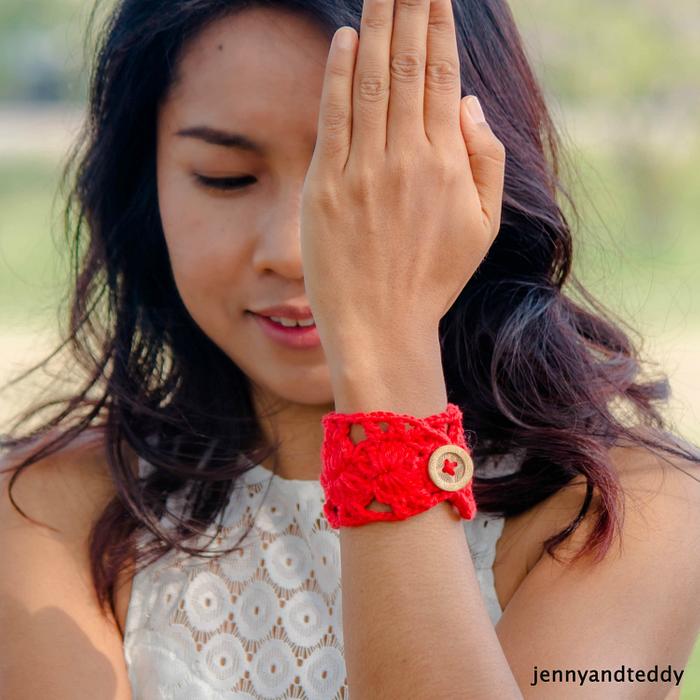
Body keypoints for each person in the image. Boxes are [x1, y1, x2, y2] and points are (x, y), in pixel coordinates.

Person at [1, 0, 699, 697]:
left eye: (369, 183)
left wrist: (384, 344)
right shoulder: (49, 511)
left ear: (484, 173)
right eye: (226, 177)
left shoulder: (626, 514)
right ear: (143, 188)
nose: (293, 250)